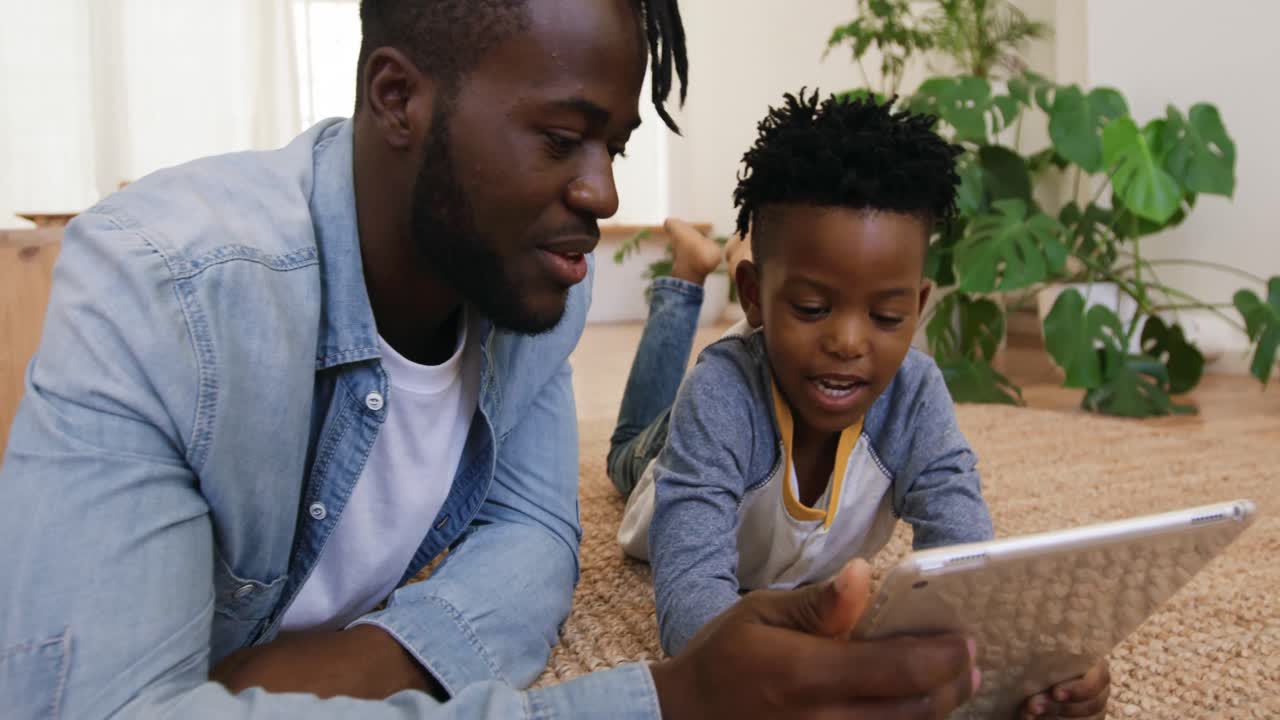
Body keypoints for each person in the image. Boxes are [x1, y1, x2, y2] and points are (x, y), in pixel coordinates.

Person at [0, 2, 991, 718]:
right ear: (398, 96)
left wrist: (352, 660)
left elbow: (532, 548)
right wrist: (660, 702)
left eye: (613, 144)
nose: (604, 194)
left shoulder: (530, 304)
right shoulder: (160, 291)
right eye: (562, 138)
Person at [609, 91, 1112, 719]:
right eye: (812, 309)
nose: (848, 342)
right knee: (624, 449)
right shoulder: (720, 396)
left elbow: (965, 557)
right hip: (672, 455)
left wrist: (1032, 661)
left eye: (886, 315)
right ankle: (687, 275)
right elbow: (690, 614)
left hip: (752, 383)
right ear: (756, 298)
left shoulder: (915, 395)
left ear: (919, 303)